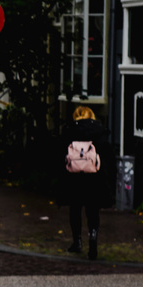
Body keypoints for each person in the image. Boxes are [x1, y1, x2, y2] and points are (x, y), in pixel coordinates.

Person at [60, 105, 112, 259]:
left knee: (75, 210)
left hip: (74, 178)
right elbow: (106, 156)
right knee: (93, 211)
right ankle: (93, 238)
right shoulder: (99, 131)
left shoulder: (70, 130)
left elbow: (61, 153)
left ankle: (77, 242)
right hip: (94, 178)